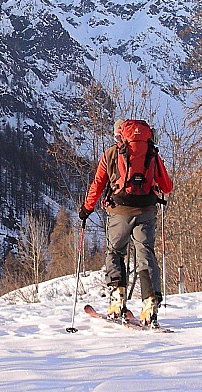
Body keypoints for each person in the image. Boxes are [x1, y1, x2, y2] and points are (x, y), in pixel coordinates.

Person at [78, 118, 172, 327]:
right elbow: (167, 186)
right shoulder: (151, 153)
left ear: (119, 135)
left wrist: (86, 209)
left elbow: (98, 184)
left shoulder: (111, 153)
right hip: (146, 211)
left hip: (119, 211)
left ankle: (117, 298)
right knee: (145, 253)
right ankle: (150, 302)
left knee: (115, 252)